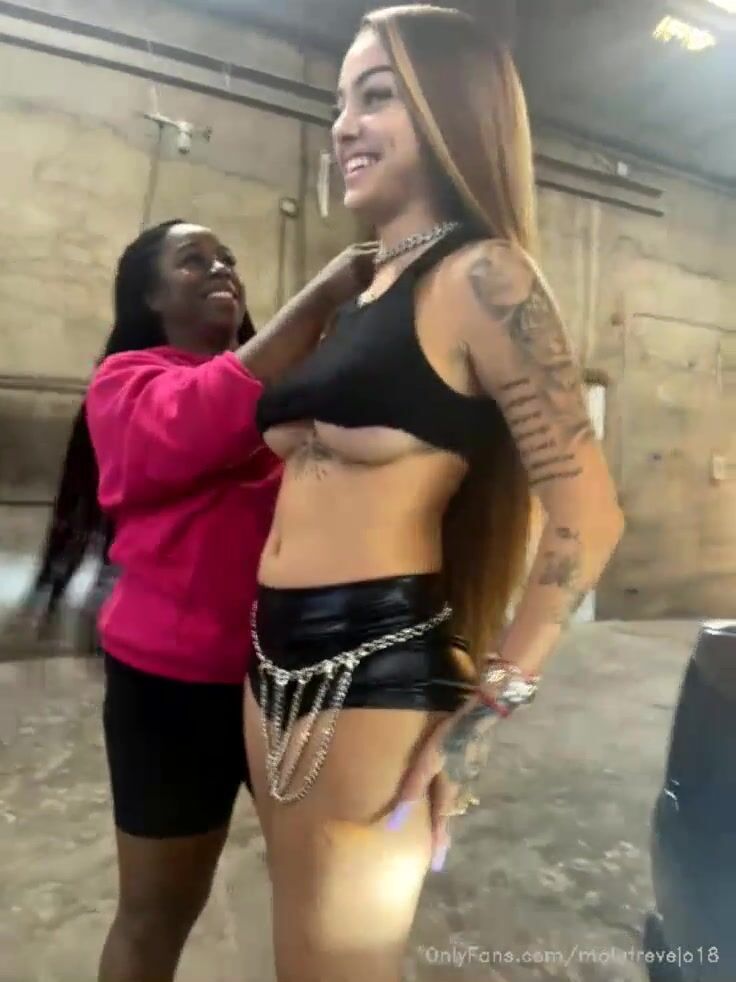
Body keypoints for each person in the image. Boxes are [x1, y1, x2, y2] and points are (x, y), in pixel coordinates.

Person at [243, 7, 625, 982]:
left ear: (450, 114)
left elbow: (588, 512)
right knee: (297, 950)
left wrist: (483, 714)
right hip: (270, 658)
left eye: (376, 97)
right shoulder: (363, 292)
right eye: (341, 101)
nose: (344, 125)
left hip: (376, 670)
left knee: (341, 965)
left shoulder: (484, 276)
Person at [26, 219, 374, 982]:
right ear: (150, 296)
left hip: (286, 681)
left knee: (325, 903)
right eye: (194, 260)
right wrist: (323, 294)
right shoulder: (127, 381)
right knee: (158, 912)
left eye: (228, 258)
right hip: (171, 691)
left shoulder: (279, 392)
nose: (221, 269)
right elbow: (199, 418)